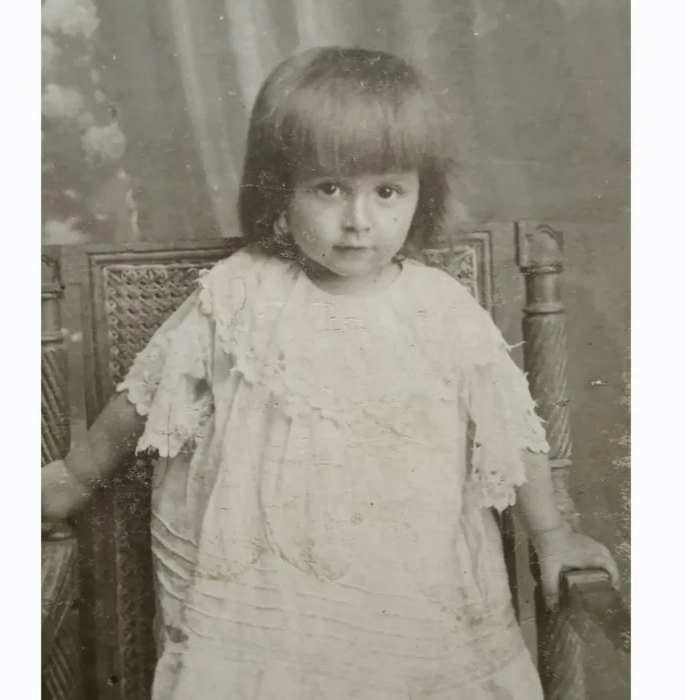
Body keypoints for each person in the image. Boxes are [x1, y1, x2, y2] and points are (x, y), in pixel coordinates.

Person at [42, 46, 619, 700]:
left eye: (387, 191)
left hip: (411, 588)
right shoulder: (241, 294)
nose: (358, 220)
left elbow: (510, 431)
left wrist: (548, 531)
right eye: (328, 188)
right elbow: (145, 397)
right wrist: (73, 477)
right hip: (272, 604)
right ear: (279, 191)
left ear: (419, 193)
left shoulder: (439, 309)